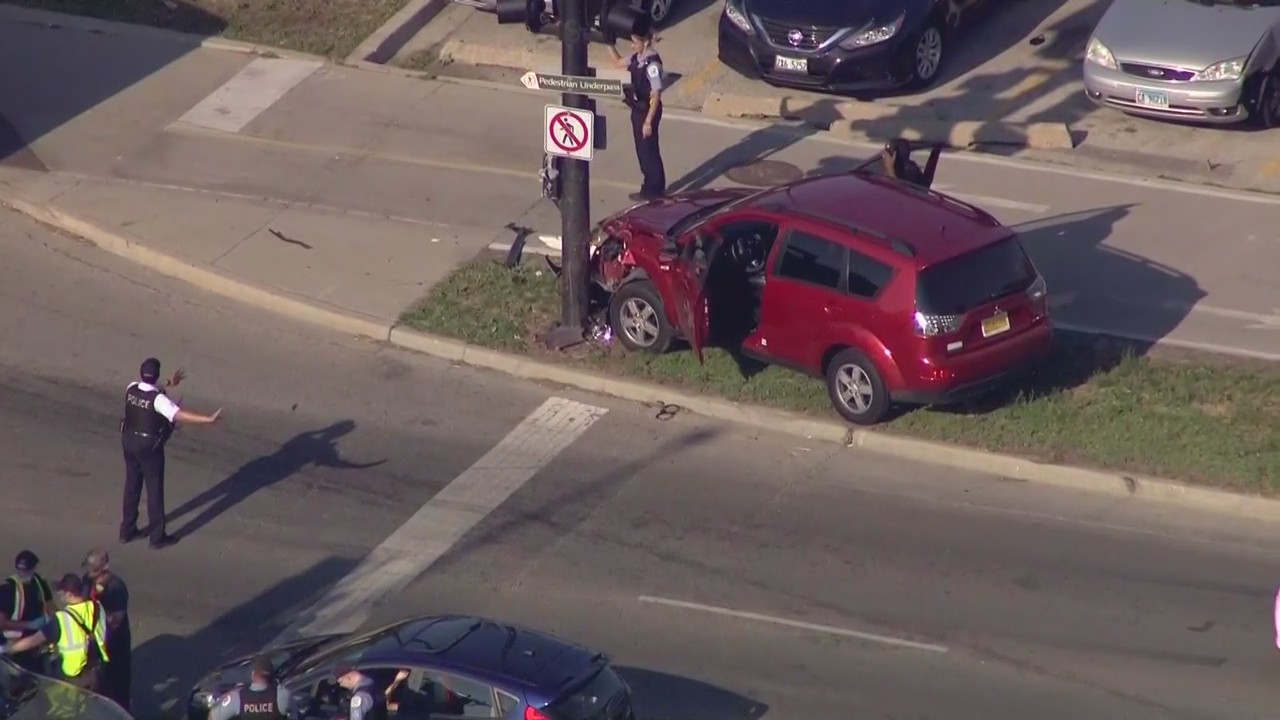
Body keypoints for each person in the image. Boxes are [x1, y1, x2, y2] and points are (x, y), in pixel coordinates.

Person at [120, 357, 222, 549]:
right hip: (149, 446)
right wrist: (207, 419)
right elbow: (179, 414)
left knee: (132, 486)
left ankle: (127, 530)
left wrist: (169, 383)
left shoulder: (131, 388)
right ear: (156, 375)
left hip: (128, 441)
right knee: (154, 490)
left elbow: (152, 386)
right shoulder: (159, 400)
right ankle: (157, 537)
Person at [0, 574, 109, 693]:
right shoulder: (96, 606)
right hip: (95, 671)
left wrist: (7, 649)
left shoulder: (62, 619)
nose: (59, 595)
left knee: (68, 709)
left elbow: (33, 641)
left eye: (61, 592)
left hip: (73, 678)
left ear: (69, 594)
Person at [609, 27, 666, 202]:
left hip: (647, 111)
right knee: (643, 151)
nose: (632, 46)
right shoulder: (637, 58)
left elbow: (656, 95)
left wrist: (648, 121)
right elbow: (617, 62)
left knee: (649, 151)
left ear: (645, 42)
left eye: (635, 42)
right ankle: (649, 187)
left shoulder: (652, 65)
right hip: (637, 109)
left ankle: (654, 190)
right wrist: (608, 42)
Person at [82, 549, 131, 711]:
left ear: (105, 567)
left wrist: (95, 621)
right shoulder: (87, 581)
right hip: (95, 644)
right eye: (88, 568)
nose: (90, 573)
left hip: (115, 645)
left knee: (117, 686)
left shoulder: (116, 587)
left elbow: (116, 620)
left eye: (94, 569)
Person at [0, 550, 53, 674]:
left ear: (34, 568)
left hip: (36, 646)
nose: (23, 573)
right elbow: (1, 623)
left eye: (26, 570)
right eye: (20, 570)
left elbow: (50, 606)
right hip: (13, 649)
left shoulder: (40, 582)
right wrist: (29, 625)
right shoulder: (7, 589)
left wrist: (49, 621)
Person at [207, 656, 296, 720]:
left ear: (253, 674)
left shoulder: (237, 697)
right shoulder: (283, 695)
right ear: (271, 676)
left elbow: (213, 717)